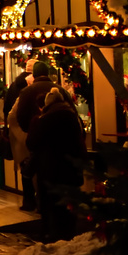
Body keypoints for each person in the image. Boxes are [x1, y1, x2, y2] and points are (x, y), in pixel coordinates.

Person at [25, 88, 87, 242]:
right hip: (70, 167)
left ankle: (50, 233)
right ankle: (68, 232)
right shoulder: (73, 117)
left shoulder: (46, 119)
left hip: (50, 167)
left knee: (49, 202)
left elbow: (32, 143)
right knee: (68, 201)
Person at [10, 63, 57, 211]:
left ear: (34, 75)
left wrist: (29, 132)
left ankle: (32, 202)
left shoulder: (26, 92)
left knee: (31, 171)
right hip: (56, 142)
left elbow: (19, 115)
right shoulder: (59, 90)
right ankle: (52, 205)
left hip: (34, 140)